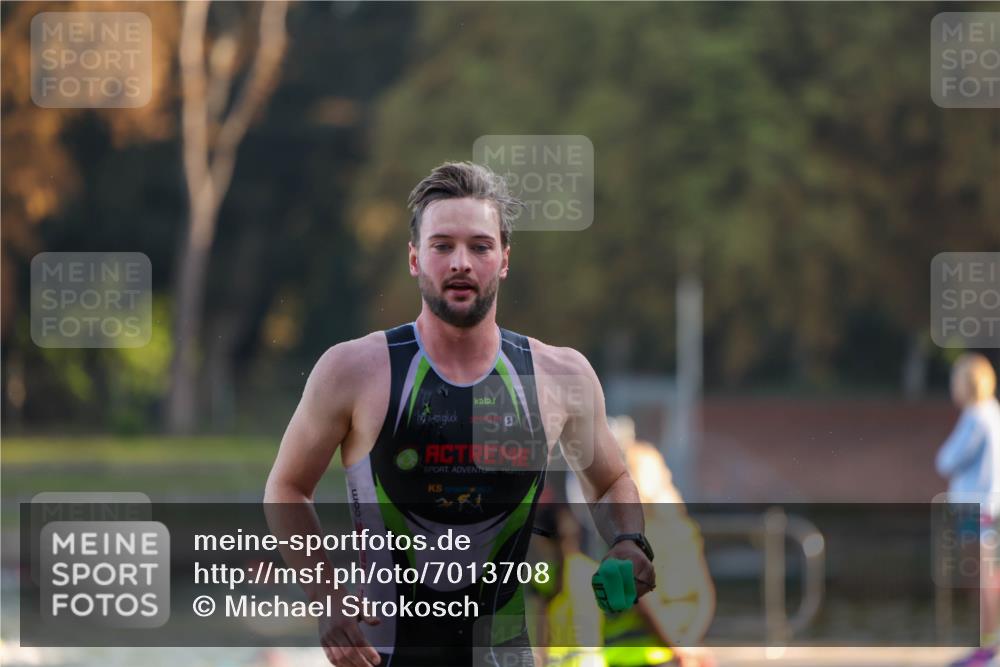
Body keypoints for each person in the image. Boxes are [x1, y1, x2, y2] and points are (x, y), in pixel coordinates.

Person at [264, 162, 655, 667]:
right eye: (442, 245)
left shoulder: (561, 376)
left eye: (480, 246)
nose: (461, 262)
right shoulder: (353, 370)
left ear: (505, 259)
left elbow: (610, 480)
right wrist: (326, 598)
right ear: (414, 259)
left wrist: (628, 539)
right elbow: (287, 486)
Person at [599, 418, 715, 667]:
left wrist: (678, 646)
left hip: (634, 651)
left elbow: (643, 601)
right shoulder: (685, 530)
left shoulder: (625, 537)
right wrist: (689, 645)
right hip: (681, 651)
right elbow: (705, 594)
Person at [936, 353, 1000, 667]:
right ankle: (990, 648)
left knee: (982, 580)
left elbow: (946, 459)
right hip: (992, 506)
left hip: (978, 509)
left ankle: (988, 650)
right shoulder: (994, 412)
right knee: (991, 578)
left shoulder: (976, 416)